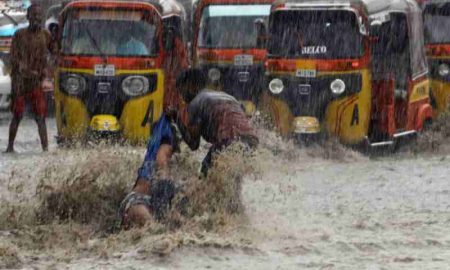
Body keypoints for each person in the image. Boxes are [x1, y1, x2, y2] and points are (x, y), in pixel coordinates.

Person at [175, 69, 259, 176]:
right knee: (234, 178)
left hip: (229, 140)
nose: (181, 96)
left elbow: (193, 144)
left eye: (181, 90)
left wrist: (177, 119)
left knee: (206, 172)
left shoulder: (196, 102)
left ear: (191, 86)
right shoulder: (226, 96)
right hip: (251, 139)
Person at [5, 4, 56, 153]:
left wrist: (49, 69)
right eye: (33, 15)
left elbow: (55, 52)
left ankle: (45, 148)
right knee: (17, 115)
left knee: (41, 117)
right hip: (20, 83)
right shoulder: (19, 35)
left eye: (39, 16)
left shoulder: (45, 35)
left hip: (36, 83)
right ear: (28, 17)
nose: (36, 19)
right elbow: (13, 57)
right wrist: (23, 68)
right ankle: (10, 147)